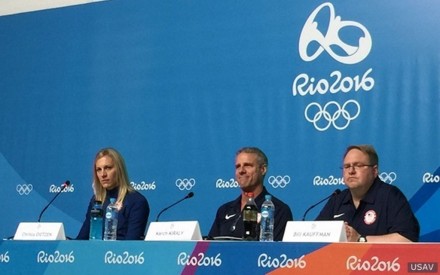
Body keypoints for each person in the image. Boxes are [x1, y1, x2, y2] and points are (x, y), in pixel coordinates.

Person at [316, 145, 419, 242]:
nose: (351, 171)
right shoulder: (337, 199)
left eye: (358, 165)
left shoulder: (390, 196)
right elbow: (315, 237)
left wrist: (360, 239)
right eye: (347, 166)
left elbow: (408, 238)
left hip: (379, 260)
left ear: (374, 171)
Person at [208, 147, 293, 241]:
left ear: (263, 169)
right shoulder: (224, 210)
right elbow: (210, 246)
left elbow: (276, 251)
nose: (241, 170)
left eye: (247, 165)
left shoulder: (278, 210)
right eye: (238, 166)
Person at [77, 148, 150, 240]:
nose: (103, 174)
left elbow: (132, 245)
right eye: (99, 169)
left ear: (119, 169)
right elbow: (81, 239)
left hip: (119, 254)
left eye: (108, 168)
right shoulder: (96, 201)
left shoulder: (137, 201)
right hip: (94, 252)